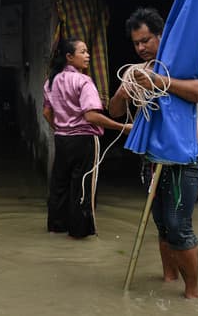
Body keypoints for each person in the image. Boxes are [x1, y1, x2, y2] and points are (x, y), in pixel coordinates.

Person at [109, 7, 198, 299]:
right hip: (153, 156)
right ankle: (168, 278)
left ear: (161, 35)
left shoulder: (184, 63)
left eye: (146, 40)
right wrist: (124, 91)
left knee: (178, 225)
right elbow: (114, 112)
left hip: (186, 155)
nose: (141, 48)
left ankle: (192, 294)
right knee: (160, 221)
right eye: (136, 43)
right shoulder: (136, 71)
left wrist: (161, 82)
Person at [43, 38, 132, 239]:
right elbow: (91, 116)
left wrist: (62, 128)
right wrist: (122, 127)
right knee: (83, 186)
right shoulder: (83, 81)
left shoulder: (50, 81)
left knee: (60, 185)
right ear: (69, 57)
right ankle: (79, 233)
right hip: (84, 140)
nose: (88, 56)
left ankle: (56, 228)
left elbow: (46, 113)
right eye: (83, 52)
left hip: (62, 140)